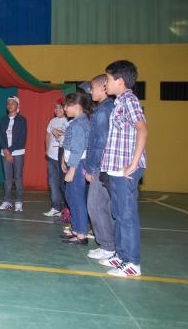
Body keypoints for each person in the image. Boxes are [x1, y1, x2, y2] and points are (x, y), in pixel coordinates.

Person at [99, 60, 147, 277]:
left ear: (120, 81)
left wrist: (134, 163)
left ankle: (133, 262)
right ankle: (121, 255)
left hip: (126, 168)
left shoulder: (129, 100)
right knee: (118, 212)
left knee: (127, 215)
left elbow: (142, 130)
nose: (105, 84)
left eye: (107, 80)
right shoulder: (118, 102)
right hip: (115, 168)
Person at [84, 74, 116, 260]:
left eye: (93, 88)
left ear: (103, 88)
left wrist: (91, 168)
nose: (90, 91)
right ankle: (109, 244)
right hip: (102, 165)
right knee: (103, 206)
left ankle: (108, 246)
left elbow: (100, 142)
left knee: (95, 205)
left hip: (100, 166)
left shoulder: (104, 112)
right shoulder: (103, 109)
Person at [60, 92, 91, 245]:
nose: (64, 108)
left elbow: (78, 149)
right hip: (74, 164)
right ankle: (76, 229)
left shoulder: (79, 124)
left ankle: (82, 234)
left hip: (77, 166)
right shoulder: (77, 122)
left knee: (77, 198)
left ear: (77, 106)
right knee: (70, 196)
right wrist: (64, 160)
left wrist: (72, 169)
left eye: (67, 105)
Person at [0, 96, 27, 212]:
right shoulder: (3, 120)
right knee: (7, 179)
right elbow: (0, 137)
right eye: (8, 103)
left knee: (18, 178)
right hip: (5, 152)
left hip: (18, 152)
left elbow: (22, 138)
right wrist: (5, 150)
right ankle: (7, 201)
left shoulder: (22, 120)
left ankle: (19, 201)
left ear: (17, 106)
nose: (10, 105)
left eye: (12, 103)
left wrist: (10, 151)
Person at [43, 99, 68, 217]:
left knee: (64, 183)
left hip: (63, 156)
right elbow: (47, 135)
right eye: (55, 107)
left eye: (60, 107)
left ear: (65, 108)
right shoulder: (52, 121)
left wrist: (60, 132)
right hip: (52, 156)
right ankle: (55, 207)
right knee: (53, 182)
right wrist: (47, 149)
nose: (57, 110)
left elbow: (70, 137)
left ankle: (68, 208)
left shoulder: (69, 121)